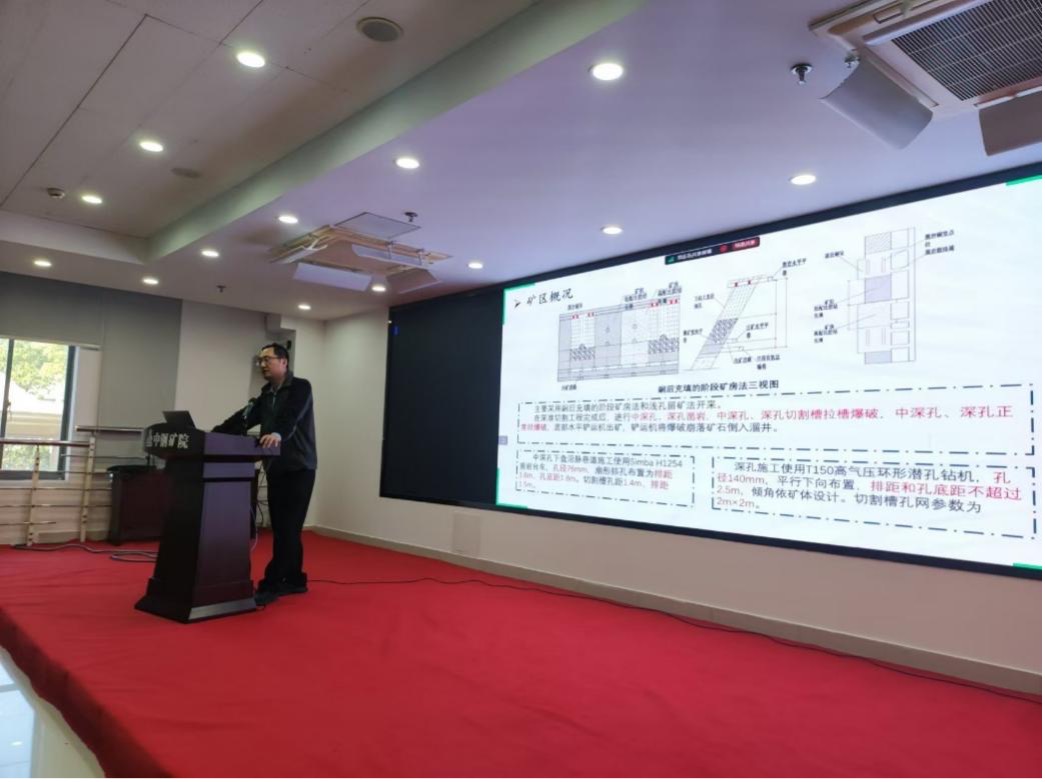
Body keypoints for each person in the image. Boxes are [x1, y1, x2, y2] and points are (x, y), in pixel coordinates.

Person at [215, 343, 317, 606]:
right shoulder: (264, 395)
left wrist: (278, 434)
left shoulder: (300, 387)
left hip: (299, 468)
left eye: (267, 359)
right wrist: (212, 435)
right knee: (285, 527)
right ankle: (295, 579)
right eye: (259, 361)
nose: (262, 364)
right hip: (275, 467)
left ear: (283, 361)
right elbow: (242, 420)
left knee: (287, 528)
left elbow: (291, 417)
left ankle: (272, 584)